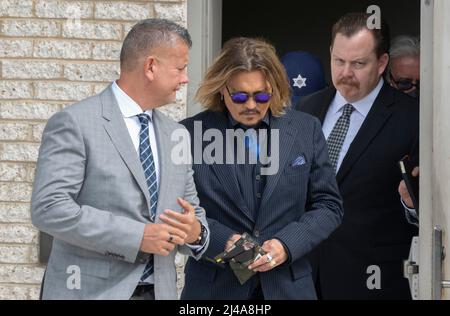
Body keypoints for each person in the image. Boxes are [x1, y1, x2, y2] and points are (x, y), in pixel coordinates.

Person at [31, 19, 209, 300]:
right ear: (150, 67)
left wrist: (195, 233)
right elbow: (50, 208)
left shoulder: (177, 134)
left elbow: (193, 211)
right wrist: (136, 236)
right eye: (180, 68)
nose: (186, 78)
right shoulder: (75, 123)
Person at [180, 37, 343, 300]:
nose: (251, 105)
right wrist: (225, 242)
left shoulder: (306, 128)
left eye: (262, 95)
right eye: (240, 96)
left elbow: (328, 206)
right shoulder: (189, 133)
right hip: (215, 289)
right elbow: (179, 210)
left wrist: (286, 245)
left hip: (288, 287)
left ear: (274, 88)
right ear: (222, 90)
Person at [296, 13, 419, 299]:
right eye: (339, 61)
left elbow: (428, 212)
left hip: (374, 283)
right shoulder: (306, 108)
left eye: (358, 64)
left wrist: (412, 204)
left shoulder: (413, 119)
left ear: (382, 63)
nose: (346, 72)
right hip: (304, 281)